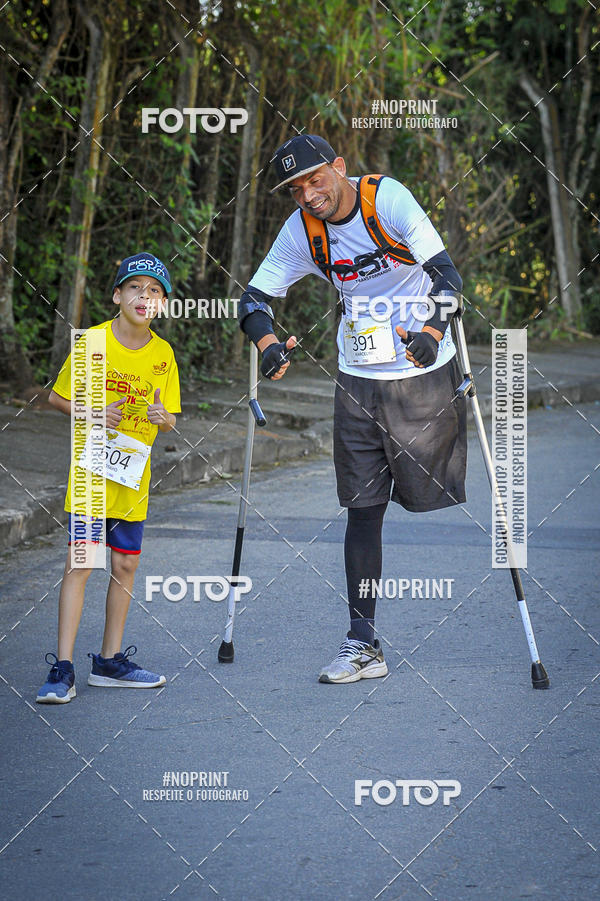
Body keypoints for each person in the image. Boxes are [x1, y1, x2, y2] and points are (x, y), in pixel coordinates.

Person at [238, 135, 467, 684]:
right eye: (296, 188)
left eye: (316, 179)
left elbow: (448, 277)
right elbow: (253, 300)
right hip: (358, 379)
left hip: (422, 372)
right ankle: (362, 642)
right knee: (363, 510)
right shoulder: (302, 231)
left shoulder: (387, 200)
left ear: (339, 168)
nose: (309, 193)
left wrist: (434, 329)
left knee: (429, 498)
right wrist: (267, 344)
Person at [36, 252, 181, 703]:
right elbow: (58, 399)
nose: (145, 296)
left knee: (125, 565)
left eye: (155, 291)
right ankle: (63, 669)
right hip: (92, 474)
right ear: (117, 295)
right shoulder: (94, 343)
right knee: (81, 563)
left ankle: (109, 661)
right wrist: (93, 413)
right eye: (135, 287)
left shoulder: (163, 353)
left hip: (134, 477)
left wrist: (164, 419)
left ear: (162, 305)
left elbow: (171, 416)